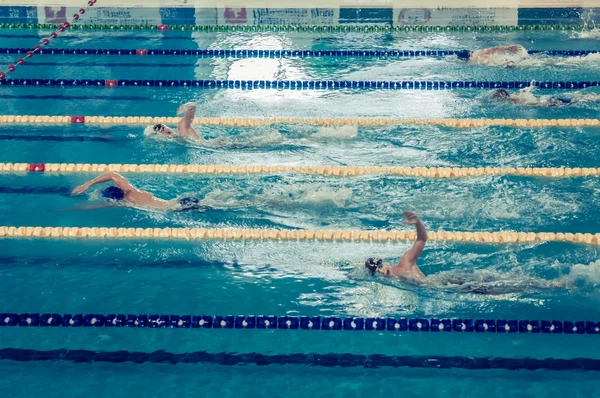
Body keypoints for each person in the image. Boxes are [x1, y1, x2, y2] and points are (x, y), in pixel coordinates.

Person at [70, 171, 209, 211]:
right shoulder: (130, 190)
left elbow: (96, 206)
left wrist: (68, 209)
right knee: (211, 201)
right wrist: (88, 184)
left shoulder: (124, 202)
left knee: (213, 205)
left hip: (176, 208)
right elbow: (112, 174)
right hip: (176, 202)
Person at [365, 211, 427, 281]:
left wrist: (417, 223)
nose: (382, 271)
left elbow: (421, 240)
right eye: (378, 272)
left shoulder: (405, 262)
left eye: (380, 266)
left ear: (385, 262)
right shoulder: (394, 280)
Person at [456, 45, 528, 67]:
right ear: (470, 53)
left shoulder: (474, 60)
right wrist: (508, 48)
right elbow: (495, 48)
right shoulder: (478, 52)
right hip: (501, 59)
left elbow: (488, 62)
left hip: (499, 62)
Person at [491, 88, 573, 106]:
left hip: (541, 103)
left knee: (558, 103)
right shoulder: (513, 96)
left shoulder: (511, 100)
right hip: (541, 100)